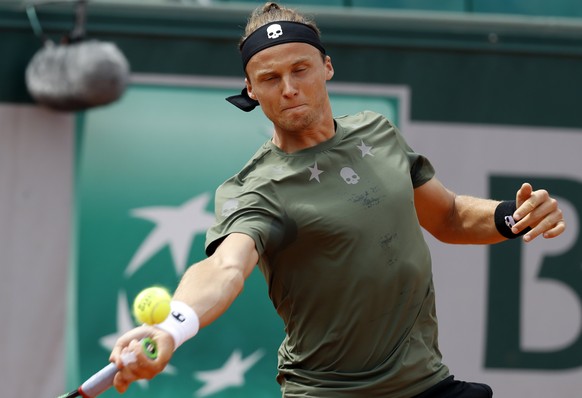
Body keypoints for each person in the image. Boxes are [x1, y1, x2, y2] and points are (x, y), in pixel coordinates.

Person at [109, 2, 566, 397]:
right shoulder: (257, 188)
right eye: (269, 78)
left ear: (326, 67)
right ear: (251, 90)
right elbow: (225, 268)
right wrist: (172, 328)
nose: (288, 87)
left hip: (426, 385)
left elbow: (447, 217)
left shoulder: (377, 132)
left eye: (300, 69)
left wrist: (512, 215)